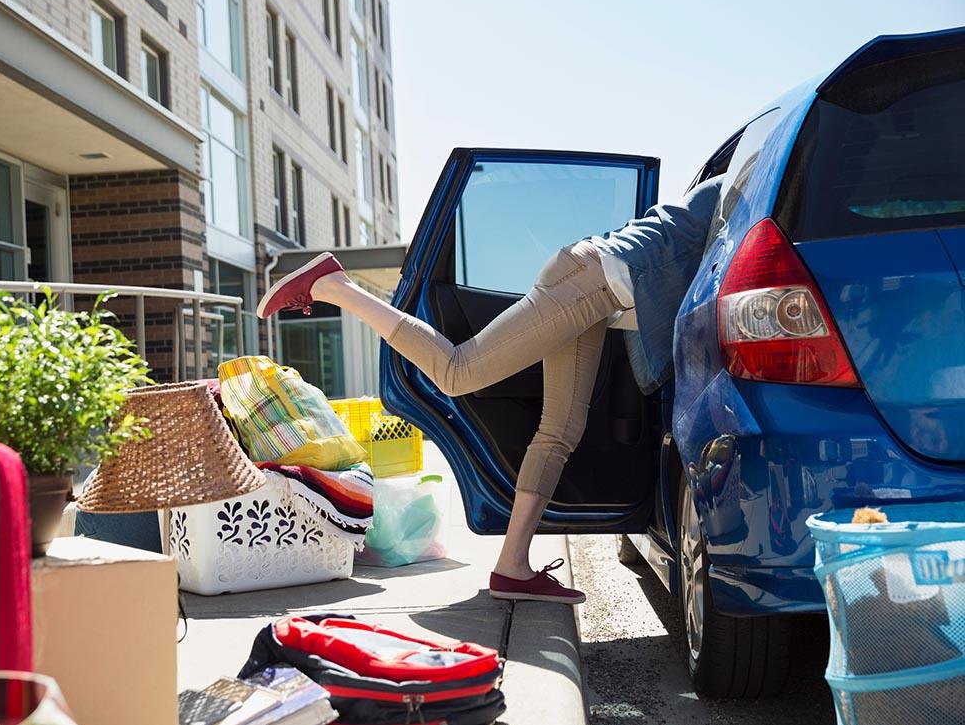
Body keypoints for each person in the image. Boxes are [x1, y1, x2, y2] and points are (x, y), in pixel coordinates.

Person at [257, 176, 724, 604]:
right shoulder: (741, 182)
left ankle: (512, 568)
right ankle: (337, 286)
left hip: (599, 290)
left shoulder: (722, 196)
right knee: (458, 372)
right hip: (590, 277)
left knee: (561, 430)